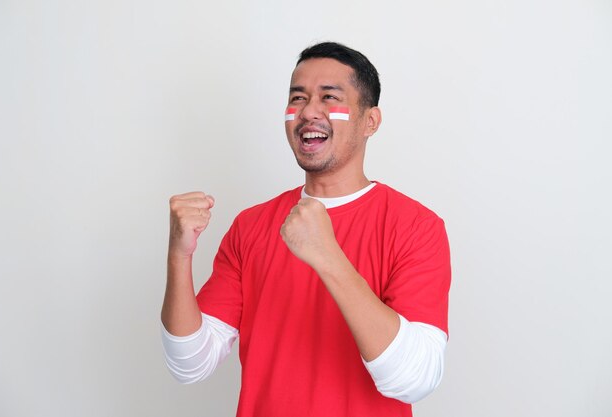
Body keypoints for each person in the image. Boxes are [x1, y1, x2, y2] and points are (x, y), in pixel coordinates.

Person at [161, 42, 451, 417]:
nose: (308, 111)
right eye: (297, 98)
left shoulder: (416, 227)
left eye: (330, 97)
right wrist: (178, 256)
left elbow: (415, 378)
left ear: (370, 122)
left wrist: (328, 257)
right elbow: (190, 364)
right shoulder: (251, 226)